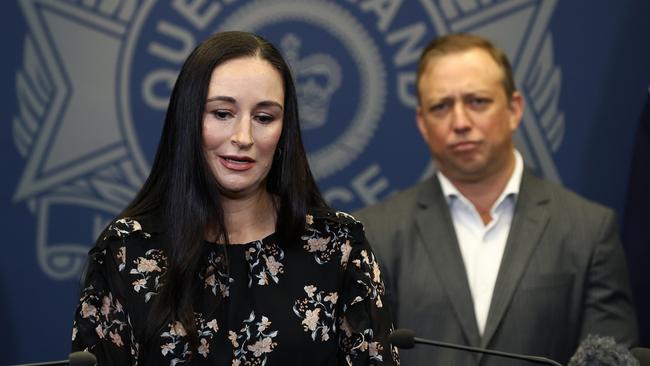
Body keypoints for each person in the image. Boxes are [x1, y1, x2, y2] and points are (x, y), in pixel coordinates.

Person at [71, 31, 399, 366]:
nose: (243, 137)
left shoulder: (338, 248)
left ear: (284, 131)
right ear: (188, 120)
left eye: (264, 118)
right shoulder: (127, 250)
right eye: (222, 113)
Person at [354, 33, 638, 365]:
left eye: (477, 101)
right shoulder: (374, 233)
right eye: (441, 106)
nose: (460, 122)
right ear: (422, 123)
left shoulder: (588, 230)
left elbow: (610, 358)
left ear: (514, 109)